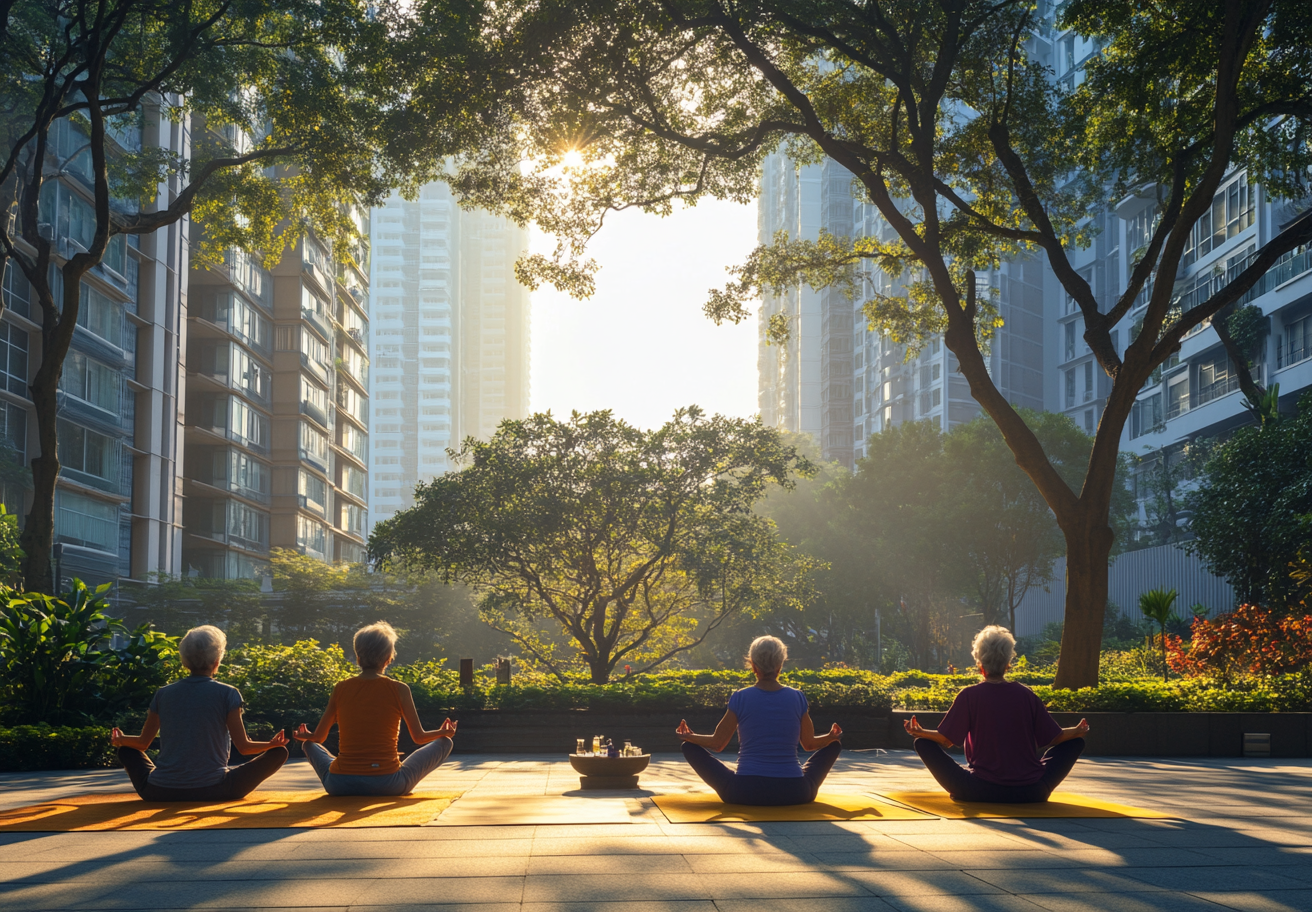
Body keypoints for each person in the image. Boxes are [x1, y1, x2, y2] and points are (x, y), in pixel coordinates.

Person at [904, 625, 1089, 803]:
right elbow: (1054, 738)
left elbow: (946, 740)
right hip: (1031, 791)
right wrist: (1076, 731)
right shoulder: (1026, 694)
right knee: (1075, 743)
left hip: (978, 790)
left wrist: (920, 733)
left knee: (923, 744)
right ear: (1008, 663)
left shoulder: (969, 695)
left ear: (979, 663)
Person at [110, 625, 288, 801]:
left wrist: (121, 740)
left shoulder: (163, 694)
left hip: (159, 791)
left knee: (127, 750)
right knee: (280, 752)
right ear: (217, 661)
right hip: (217, 789)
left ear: (184, 661)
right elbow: (244, 747)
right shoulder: (228, 693)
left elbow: (142, 743)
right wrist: (272, 744)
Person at [294, 621, 457, 796]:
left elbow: (318, 737)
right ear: (389, 656)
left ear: (358, 656)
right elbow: (419, 737)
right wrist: (442, 733)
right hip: (388, 784)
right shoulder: (399, 689)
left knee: (309, 745)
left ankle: (347, 768)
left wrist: (306, 736)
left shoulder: (341, 688)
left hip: (339, 784)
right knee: (445, 743)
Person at [676, 635, 843, 806]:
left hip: (745, 792)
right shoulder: (797, 697)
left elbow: (717, 744)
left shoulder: (740, 697)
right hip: (795, 792)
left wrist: (689, 737)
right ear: (780, 665)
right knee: (834, 745)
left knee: (689, 747)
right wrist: (831, 737)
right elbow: (809, 744)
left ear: (753, 666)